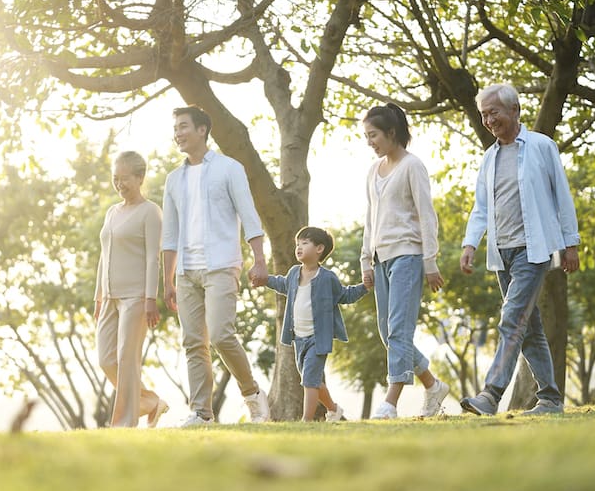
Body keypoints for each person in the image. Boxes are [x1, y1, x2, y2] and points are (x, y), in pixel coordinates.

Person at [459, 84, 580, 416]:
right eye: (484, 114)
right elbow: (480, 207)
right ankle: (551, 399)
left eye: (493, 112)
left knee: (512, 319)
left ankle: (490, 394)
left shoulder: (542, 146)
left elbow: (562, 196)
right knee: (529, 327)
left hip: (533, 249)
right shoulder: (489, 157)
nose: (488, 120)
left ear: (514, 111)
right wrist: (471, 243)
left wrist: (571, 243)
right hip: (501, 253)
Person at [162, 105, 270, 426]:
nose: (178, 133)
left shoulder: (229, 168)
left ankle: (252, 394)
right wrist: (167, 281)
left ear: (202, 130)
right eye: (175, 128)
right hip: (186, 272)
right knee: (194, 343)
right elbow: (170, 233)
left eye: (183, 126)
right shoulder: (173, 179)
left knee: (222, 335)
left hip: (221, 264)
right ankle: (202, 413)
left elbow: (249, 215)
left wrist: (259, 258)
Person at [360, 103, 450, 419]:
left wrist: (430, 261)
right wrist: (365, 260)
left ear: (392, 132)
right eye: (366, 136)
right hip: (381, 258)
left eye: (373, 135)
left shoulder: (413, 167)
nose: (370, 141)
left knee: (399, 330)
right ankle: (432, 385)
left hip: (408, 257)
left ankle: (390, 403)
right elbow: (371, 218)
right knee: (388, 333)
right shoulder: (373, 171)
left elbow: (427, 216)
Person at [94, 151, 170, 428]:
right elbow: (104, 255)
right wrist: (98, 296)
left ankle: (123, 423)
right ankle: (150, 402)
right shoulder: (112, 212)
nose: (119, 184)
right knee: (105, 358)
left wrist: (151, 298)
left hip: (136, 296)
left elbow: (154, 257)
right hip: (110, 296)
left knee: (127, 359)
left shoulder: (151, 212)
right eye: (115, 178)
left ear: (139, 178)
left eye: (124, 178)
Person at [263, 226, 369, 422]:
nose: (299, 247)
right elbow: (281, 284)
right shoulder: (294, 273)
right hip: (299, 339)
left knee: (309, 380)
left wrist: (364, 287)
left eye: (304, 243)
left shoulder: (327, 278)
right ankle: (334, 410)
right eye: (297, 244)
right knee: (312, 380)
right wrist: (265, 279)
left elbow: (345, 295)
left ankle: (306, 420)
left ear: (319, 249)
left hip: (318, 339)